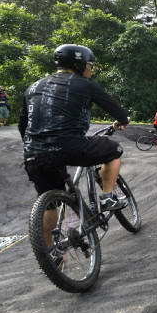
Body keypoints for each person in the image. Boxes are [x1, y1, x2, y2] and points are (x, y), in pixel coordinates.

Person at [19, 44, 130, 214]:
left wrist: (38, 147)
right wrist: (122, 120)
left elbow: (22, 126)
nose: (91, 69)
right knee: (114, 149)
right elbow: (118, 112)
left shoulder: (33, 87)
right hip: (70, 146)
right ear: (80, 64)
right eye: (90, 64)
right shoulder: (85, 84)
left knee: (50, 205)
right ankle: (107, 196)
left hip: (33, 154)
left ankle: (46, 242)